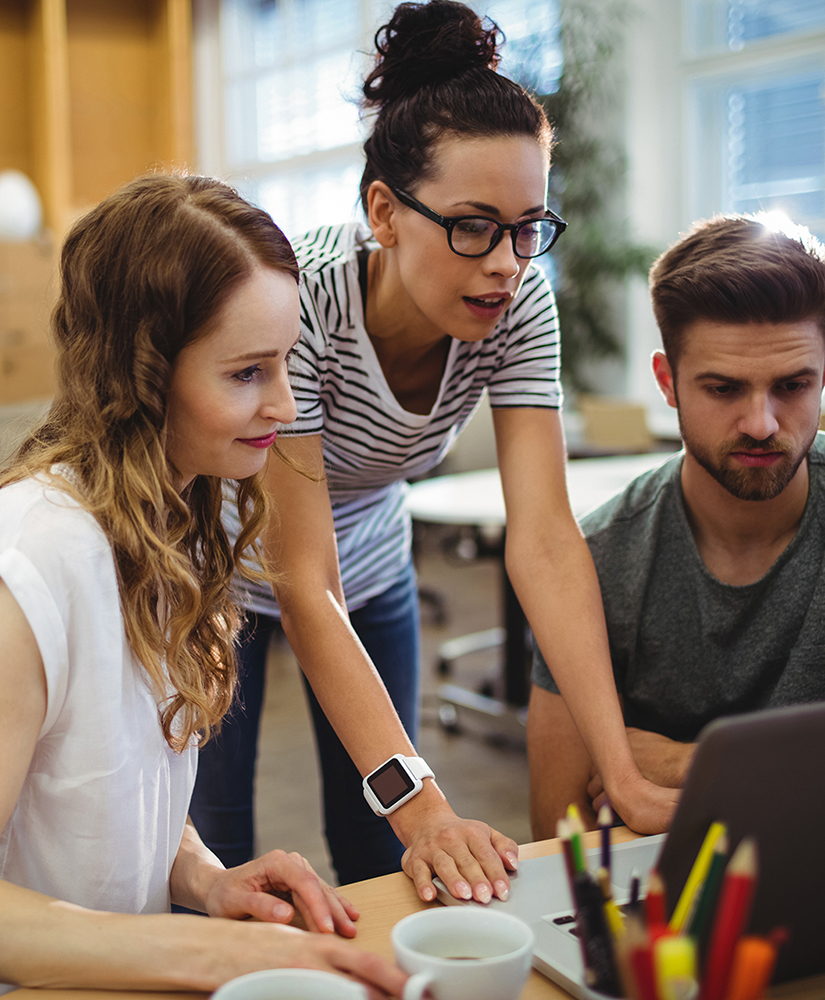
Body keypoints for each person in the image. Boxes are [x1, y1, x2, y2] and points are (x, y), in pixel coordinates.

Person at [190, 0, 675, 894]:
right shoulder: (305, 302)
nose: (506, 262)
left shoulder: (519, 302)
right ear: (384, 210)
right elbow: (301, 578)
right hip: (222, 567)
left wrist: (622, 768)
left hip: (366, 559)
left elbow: (544, 539)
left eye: (528, 226)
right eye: (473, 224)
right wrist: (428, 808)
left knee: (384, 855)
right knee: (217, 848)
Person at [0, 174, 408, 997]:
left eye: (286, 362)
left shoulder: (170, 526)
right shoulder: (30, 563)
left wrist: (205, 880)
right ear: (142, 376)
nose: (287, 404)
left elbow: (107, 794)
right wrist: (209, 954)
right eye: (247, 373)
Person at [527, 213, 825, 839]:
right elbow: (558, 832)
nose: (761, 422)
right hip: (677, 913)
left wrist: (687, 764)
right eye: (723, 388)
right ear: (668, 383)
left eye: (792, 386)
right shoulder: (593, 556)